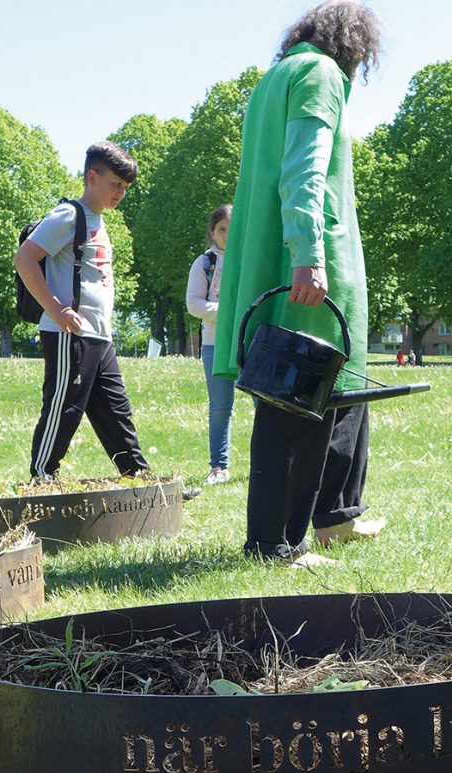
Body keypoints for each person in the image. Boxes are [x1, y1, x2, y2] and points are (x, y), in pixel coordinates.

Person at [213, 0, 384, 567]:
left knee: (334, 388)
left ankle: (334, 517)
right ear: (354, 46)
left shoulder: (276, 77)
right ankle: (276, 544)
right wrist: (309, 255)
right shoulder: (320, 73)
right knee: (297, 395)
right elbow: (304, 171)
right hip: (305, 262)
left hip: (278, 254)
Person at [14, 141, 153, 482]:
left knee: (115, 410)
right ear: (93, 177)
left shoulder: (100, 220)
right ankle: (42, 477)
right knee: (65, 407)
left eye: (125, 187)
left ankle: (137, 475)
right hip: (69, 333)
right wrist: (57, 309)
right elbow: (24, 259)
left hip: (99, 335)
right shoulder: (68, 215)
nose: (121, 193)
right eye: (115, 184)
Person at [187, 205, 235, 485]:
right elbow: (194, 304)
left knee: (264, 404)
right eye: (222, 229)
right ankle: (218, 466)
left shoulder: (251, 260)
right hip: (214, 344)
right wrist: (227, 311)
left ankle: (269, 464)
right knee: (220, 407)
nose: (227, 234)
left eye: (232, 228)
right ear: (212, 232)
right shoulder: (205, 263)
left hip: (251, 343)